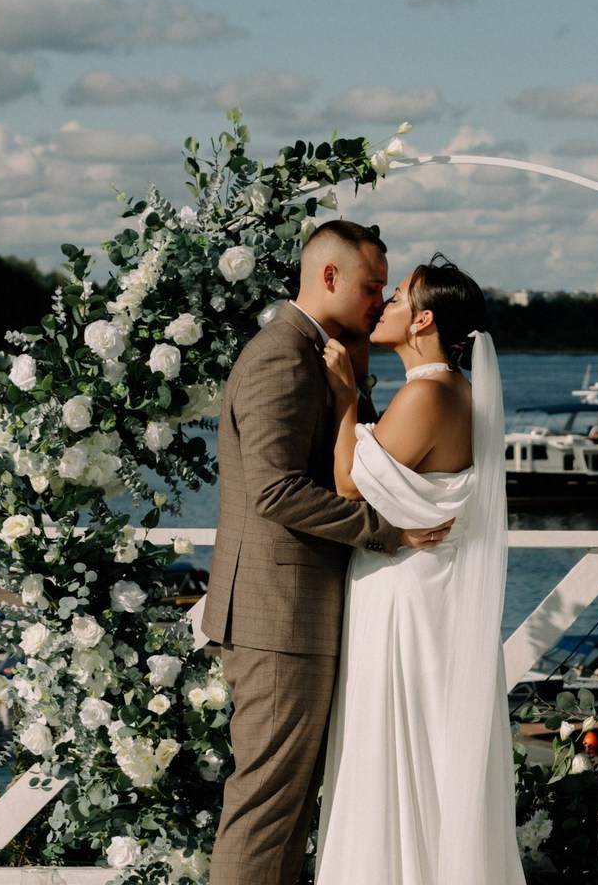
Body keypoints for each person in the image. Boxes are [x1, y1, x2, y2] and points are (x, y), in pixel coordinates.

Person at [201, 221, 451, 885]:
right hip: (277, 618)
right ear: (330, 277)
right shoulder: (282, 356)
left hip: (296, 614)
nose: (378, 301)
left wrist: (354, 391)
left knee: (285, 816)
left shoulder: (324, 355)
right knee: (263, 812)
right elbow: (277, 492)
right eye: (373, 287)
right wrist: (387, 530)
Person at [317, 254, 525, 885]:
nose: (384, 305)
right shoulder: (458, 392)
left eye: (399, 297)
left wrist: (347, 400)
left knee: (395, 749)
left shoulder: (429, 393)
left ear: (423, 319)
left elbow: (350, 485)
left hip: (406, 600)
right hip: (431, 592)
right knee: (429, 750)